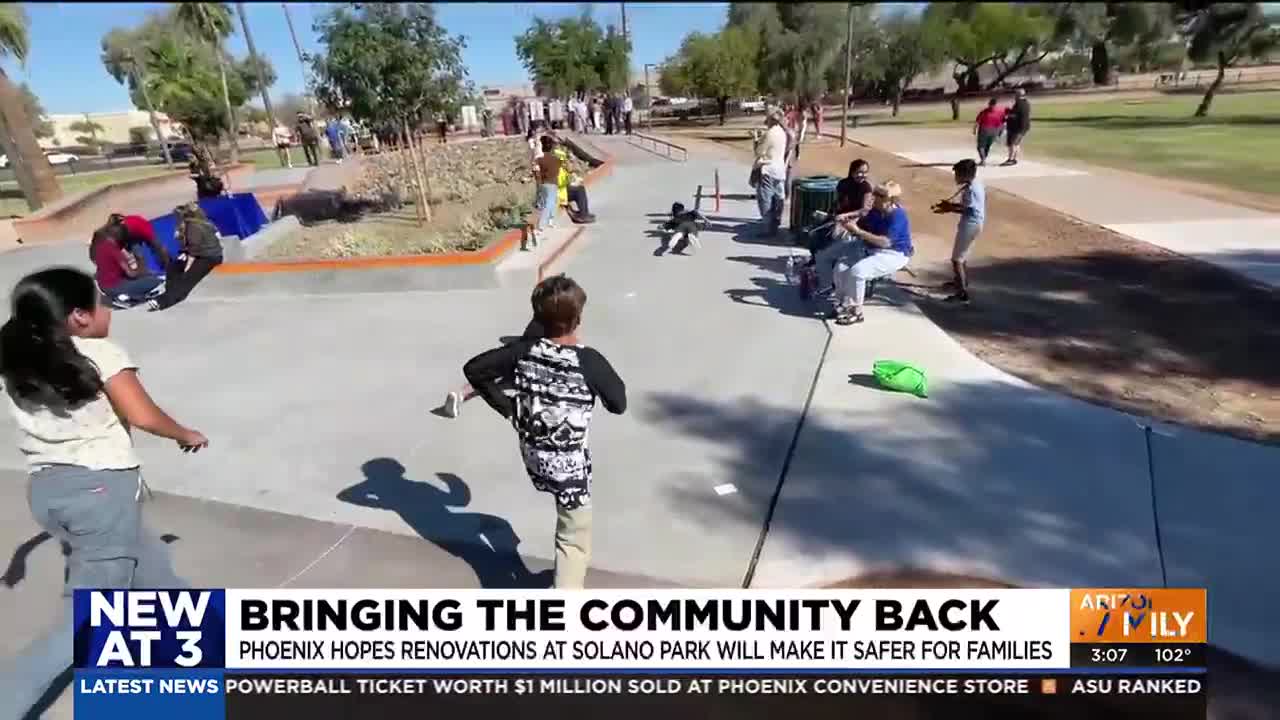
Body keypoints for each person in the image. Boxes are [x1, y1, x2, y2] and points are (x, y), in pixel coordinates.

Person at [0, 267, 208, 719]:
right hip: (99, 491)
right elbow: (144, 414)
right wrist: (185, 433)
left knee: (155, 574)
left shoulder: (16, 354)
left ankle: (203, 649)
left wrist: (20, 558)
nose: (108, 308)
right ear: (78, 316)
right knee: (86, 623)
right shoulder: (98, 353)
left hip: (50, 491)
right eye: (100, 301)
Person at [462, 274, 626, 589]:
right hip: (569, 469)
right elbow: (618, 403)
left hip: (534, 455)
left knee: (560, 514)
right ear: (578, 319)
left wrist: (508, 409)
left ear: (537, 318)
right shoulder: (588, 361)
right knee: (573, 536)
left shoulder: (523, 351)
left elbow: (474, 370)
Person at [830, 181, 913, 326]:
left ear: (891, 199)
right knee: (841, 267)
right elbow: (860, 222)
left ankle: (856, 312)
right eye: (875, 193)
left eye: (881, 195)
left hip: (894, 253)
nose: (875, 197)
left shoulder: (898, 215)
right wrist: (845, 224)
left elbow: (885, 242)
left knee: (858, 271)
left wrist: (857, 231)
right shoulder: (875, 211)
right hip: (872, 249)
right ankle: (843, 304)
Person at [810, 159, 875, 292]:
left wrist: (846, 216)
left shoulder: (866, 188)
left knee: (837, 236)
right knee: (814, 232)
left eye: (865, 172)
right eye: (859, 172)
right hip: (839, 217)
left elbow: (864, 210)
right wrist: (831, 214)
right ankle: (816, 260)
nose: (862, 175)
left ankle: (833, 268)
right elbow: (838, 203)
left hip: (856, 220)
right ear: (852, 172)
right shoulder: (843, 183)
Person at [146, 204, 223, 311]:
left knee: (188, 278)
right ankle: (171, 292)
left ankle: (162, 301)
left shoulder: (192, 226)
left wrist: (188, 266)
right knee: (173, 267)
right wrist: (181, 238)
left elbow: (193, 250)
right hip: (201, 254)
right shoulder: (196, 223)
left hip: (209, 257)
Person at [932, 159, 985, 305]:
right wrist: (950, 205)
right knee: (963, 256)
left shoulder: (972, 189)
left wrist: (948, 209)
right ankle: (961, 282)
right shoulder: (974, 184)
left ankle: (962, 295)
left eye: (957, 174)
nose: (955, 177)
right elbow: (967, 206)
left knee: (957, 260)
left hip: (970, 225)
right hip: (973, 224)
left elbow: (969, 209)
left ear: (965, 175)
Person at [90, 226, 164, 308]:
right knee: (156, 281)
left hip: (103, 286)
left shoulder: (99, 247)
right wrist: (144, 272)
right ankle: (126, 296)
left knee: (142, 279)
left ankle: (127, 296)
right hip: (116, 286)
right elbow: (131, 274)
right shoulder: (114, 250)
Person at [753, 110, 789, 237]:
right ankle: (776, 223)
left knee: (765, 199)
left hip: (768, 168)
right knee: (778, 197)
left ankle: (767, 229)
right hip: (779, 169)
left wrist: (756, 140)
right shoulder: (782, 132)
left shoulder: (769, 134)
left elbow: (759, 152)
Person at [524, 135, 561, 251]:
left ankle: (546, 223)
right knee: (549, 204)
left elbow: (535, 172)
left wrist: (538, 182)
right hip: (552, 184)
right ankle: (540, 228)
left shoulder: (538, 160)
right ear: (552, 148)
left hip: (542, 185)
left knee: (542, 205)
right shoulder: (557, 160)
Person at [973, 98, 1005, 166]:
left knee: (981, 146)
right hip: (994, 131)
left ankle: (983, 160)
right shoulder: (1000, 112)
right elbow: (1002, 123)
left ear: (989, 104)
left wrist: (974, 130)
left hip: (984, 130)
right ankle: (983, 159)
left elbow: (977, 121)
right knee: (987, 145)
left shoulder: (984, 111)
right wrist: (1000, 132)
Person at [1003, 89, 1031, 166]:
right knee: (1016, 143)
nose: (1014, 96)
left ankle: (1010, 159)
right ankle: (1014, 159)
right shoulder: (1026, 103)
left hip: (1017, 127)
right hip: (1025, 126)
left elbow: (1015, 115)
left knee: (1011, 143)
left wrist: (1007, 115)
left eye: (1015, 94)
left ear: (1018, 95)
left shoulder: (1019, 104)